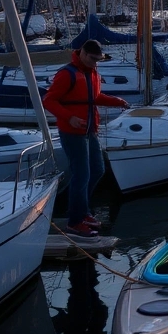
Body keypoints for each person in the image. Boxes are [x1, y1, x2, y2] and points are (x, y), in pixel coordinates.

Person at [43, 39, 129, 238]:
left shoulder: (93, 73)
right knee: (81, 175)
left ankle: (82, 212)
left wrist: (117, 102)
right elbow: (49, 100)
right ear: (82, 53)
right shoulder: (67, 74)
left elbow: (95, 97)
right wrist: (69, 118)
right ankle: (75, 221)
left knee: (97, 169)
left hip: (89, 130)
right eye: (92, 59)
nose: (94, 63)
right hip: (72, 132)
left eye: (98, 60)